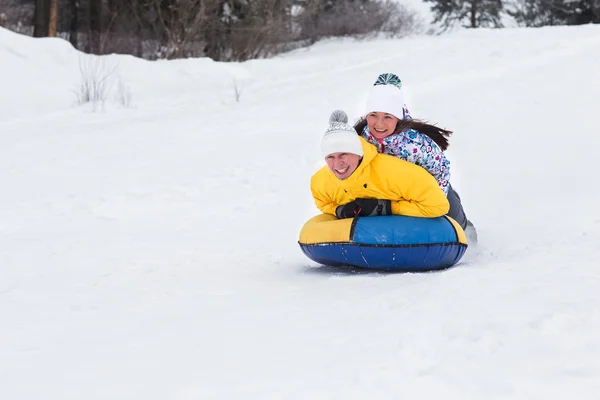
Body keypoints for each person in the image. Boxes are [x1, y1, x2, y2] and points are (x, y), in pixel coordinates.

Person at [354, 73, 477, 241]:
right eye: (373, 115)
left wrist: (434, 202)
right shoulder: (359, 139)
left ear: (398, 117)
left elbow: (441, 170)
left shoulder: (414, 144)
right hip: (385, 196)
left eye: (387, 117)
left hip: (424, 194)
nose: (379, 124)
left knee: (452, 216)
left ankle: (463, 225)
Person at [311, 110, 450, 220]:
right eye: (330, 157)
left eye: (343, 155)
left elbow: (438, 206)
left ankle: (464, 225)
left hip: (433, 185)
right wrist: (338, 210)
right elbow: (323, 203)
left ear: (358, 153)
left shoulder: (398, 172)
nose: (337, 163)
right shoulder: (321, 181)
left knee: (452, 214)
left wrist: (388, 207)